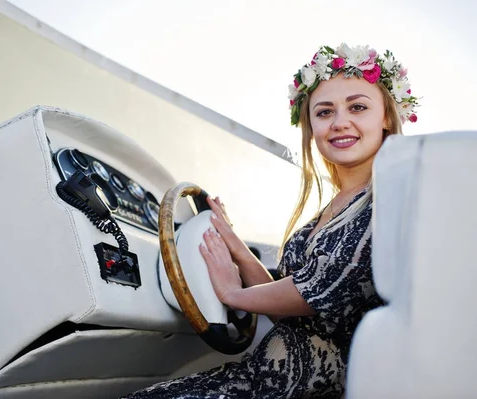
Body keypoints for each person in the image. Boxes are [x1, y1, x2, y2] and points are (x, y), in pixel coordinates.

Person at [123, 43, 419, 398]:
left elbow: (314, 294)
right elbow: (292, 309)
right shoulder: (329, 209)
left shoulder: (390, 199)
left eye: (357, 107)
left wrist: (232, 294)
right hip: (266, 379)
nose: (340, 122)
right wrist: (233, 243)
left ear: (386, 116)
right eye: (324, 112)